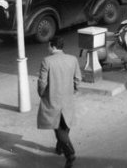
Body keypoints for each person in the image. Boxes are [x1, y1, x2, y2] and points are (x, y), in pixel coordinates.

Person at [37, 35, 81, 168]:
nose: (47, 47)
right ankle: (60, 147)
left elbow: (42, 83)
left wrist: (42, 94)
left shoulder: (47, 61)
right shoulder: (72, 59)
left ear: (53, 46)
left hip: (53, 100)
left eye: (48, 45)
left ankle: (70, 153)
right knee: (65, 124)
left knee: (58, 128)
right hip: (67, 99)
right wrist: (73, 91)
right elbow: (78, 79)